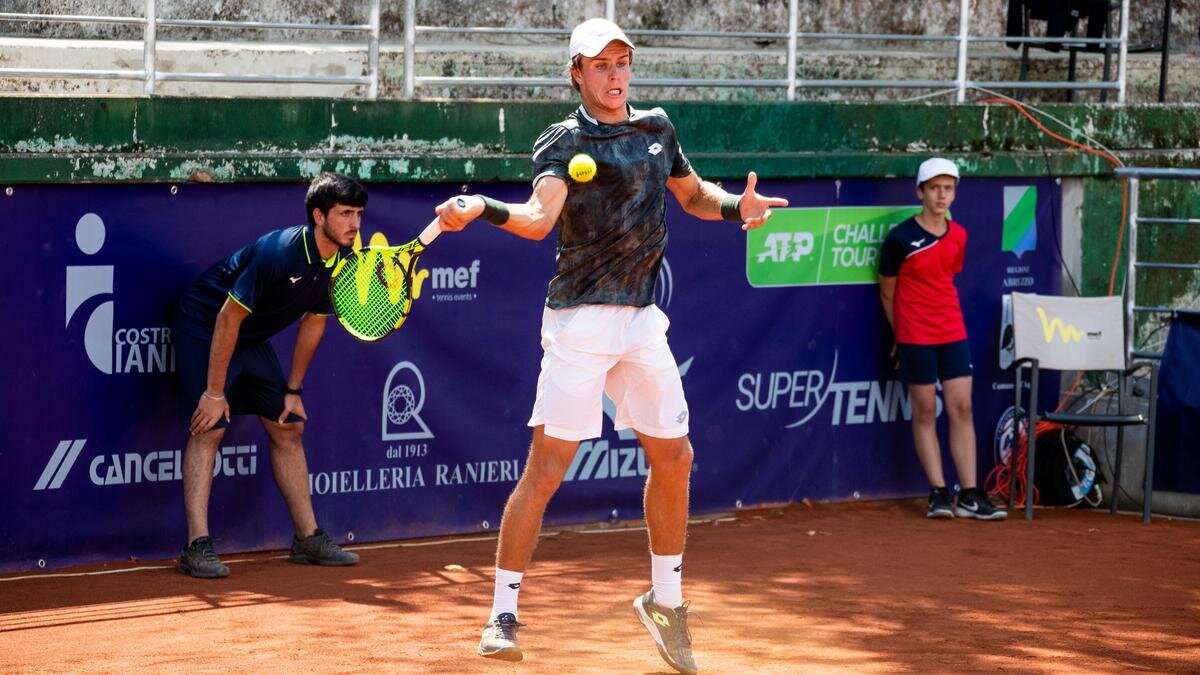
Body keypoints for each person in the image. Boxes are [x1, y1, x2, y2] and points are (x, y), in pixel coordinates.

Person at [433, 17, 788, 675]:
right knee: (546, 469)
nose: (615, 74)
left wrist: (737, 209)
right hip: (578, 322)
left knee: (675, 457)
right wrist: (482, 206)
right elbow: (540, 221)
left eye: (622, 62)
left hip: (641, 319)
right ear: (577, 73)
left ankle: (666, 599)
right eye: (600, 65)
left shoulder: (657, 128)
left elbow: (694, 197)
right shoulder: (563, 139)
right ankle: (503, 609)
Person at [171, 172, 366, 578]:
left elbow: (314, 323)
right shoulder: (280, 252)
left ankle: (307, 539)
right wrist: (213, 391)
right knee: (210, 426)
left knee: (288, 425)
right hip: (207, 325)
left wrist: (293, 389)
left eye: (359, 214)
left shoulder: (343, 262)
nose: (355, 224)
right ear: (318, 215)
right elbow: (227, 319)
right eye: (345, 213)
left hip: (250, 337)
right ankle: (196, 546)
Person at [878, 158, 1007, 521]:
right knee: (924, 411)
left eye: (948, 188)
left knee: (962, 407)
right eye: (934, 188)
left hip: (952, 330)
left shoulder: (959, 235)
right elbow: (888, 293)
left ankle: (968, 494)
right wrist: (900, 334)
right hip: (914, 334)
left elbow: (947, 278)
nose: (941, 195)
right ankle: (937, 492)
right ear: (921, 192)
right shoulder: (900, 238)